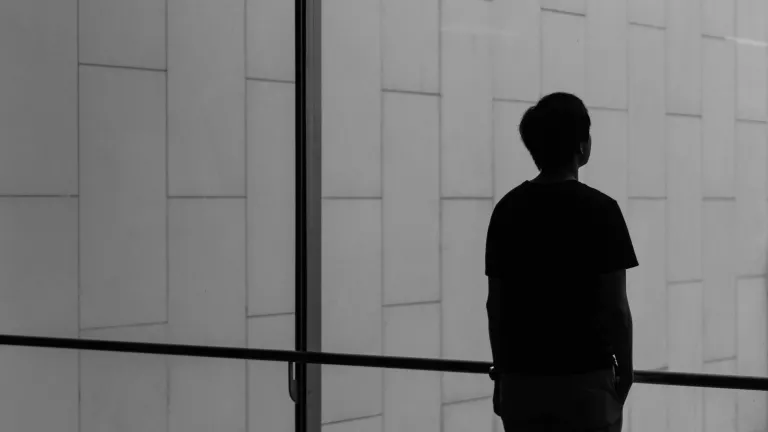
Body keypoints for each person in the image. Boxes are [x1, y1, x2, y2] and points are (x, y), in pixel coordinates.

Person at [485, 92, 638, 431]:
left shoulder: (508, 210)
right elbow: (617, 308)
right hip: (586, 385)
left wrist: (503, 374)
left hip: (523, 383)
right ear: (581, 146)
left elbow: (496, 304)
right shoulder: (602, 210)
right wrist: (624, 374)